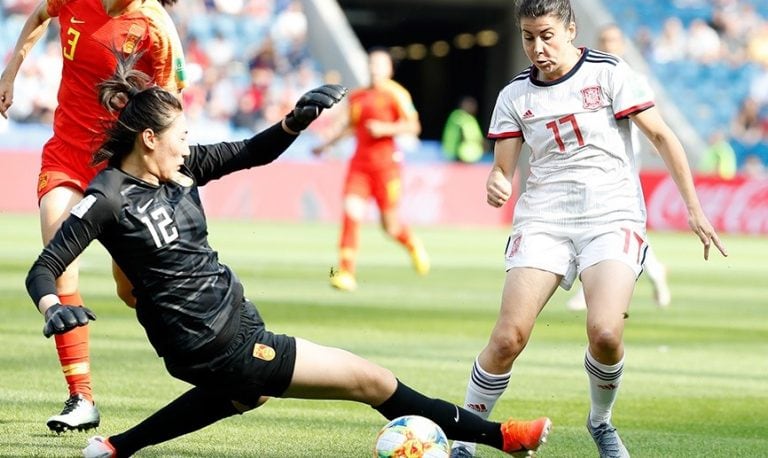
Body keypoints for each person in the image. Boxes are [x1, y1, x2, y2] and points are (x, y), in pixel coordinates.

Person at [24, 54, 552, 457]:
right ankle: (502, 437)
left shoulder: (182, 169)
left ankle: (116, 447)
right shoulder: (109, 195)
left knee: (244, 396)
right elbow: (45, 267)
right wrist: (54, 307)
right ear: (147, 139)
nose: (188, 146)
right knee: (372, 382)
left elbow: (251, 151)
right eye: (180, 137)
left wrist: (294, 122)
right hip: (216, 342)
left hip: (231, 325)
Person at [449, 1, 728, 457]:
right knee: (507, 338)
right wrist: (497, 181)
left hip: (611, 216)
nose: (537, 48)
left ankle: (600, 422)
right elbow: (503, 169)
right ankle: (468, 435)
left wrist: (694, 209)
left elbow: (662, 136)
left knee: (605, 332)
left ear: (571, 30)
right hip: (543, 219)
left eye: (547, 36)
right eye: (527, 37)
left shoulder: (609, 73)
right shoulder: (514, 96)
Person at [0, 0, 186, 432]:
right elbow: (38, 18)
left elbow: (171, 104)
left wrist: (166, 173)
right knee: (60, 263)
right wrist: (10, 73)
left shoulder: (155, 25)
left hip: (121, 173)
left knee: (131, 289)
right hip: (66, 157)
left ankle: (193, 346)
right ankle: (81, 397)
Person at [565, 22, 671, 311]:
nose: (609, 45)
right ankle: (655, 271)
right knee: (602, 230)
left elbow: (654, 118)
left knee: (604, 230)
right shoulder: (587, 79)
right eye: (604, 40)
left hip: (621, 169)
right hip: (589, 168)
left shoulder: (632, 78)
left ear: (622, 45)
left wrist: (655, 141)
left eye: (614, 40)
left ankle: (590, 292)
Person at [312, 48, 429, 291]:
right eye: (372, 64)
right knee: (351, 213)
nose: (375, 69)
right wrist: (325, 145)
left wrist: (385, 129)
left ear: (389, 70)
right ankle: (346, 272)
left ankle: (412, 243)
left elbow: (413, 126)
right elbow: (351, 128)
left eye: (380, 65)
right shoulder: (357, 97)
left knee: (390, 226)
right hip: (359, 166)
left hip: (387, 168)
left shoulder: (397, 94)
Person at [441, 95, 486, 163]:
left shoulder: (471, 119)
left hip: (468, 155)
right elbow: (466, 135)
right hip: (461, 155)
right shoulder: (459, 116)